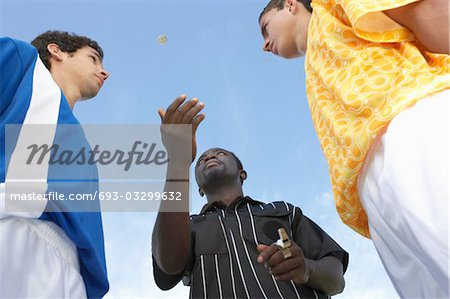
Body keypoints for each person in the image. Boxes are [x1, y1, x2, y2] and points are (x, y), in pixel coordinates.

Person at [258, 0, 449, 297]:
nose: (265, 45)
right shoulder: (313, 69)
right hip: (374, 193)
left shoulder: (330, 3)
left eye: (265, 29)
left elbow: (429, 14)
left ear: (291, 5)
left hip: (413, 126)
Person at [151, 95, 349, 298]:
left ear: (242, 173)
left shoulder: (284, 212)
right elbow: (169, 265)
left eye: (220, 153)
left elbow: (336, 279)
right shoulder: (187, 226)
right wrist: (178, 160)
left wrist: (306, 269)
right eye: (201, 160)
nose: (209, 157)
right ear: (199, 188)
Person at [0, 31, 110, 298]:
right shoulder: (22, 61)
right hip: (12, 234)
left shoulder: (81, 144)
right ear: (56, 51)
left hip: (71, 274)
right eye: (93, 59)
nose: (103, 72)